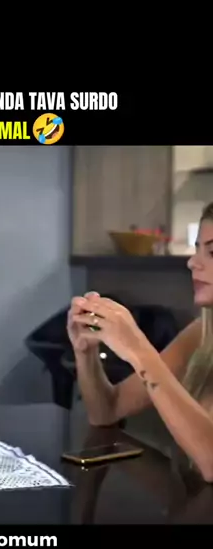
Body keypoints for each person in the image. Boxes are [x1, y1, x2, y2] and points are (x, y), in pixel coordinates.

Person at [67, 201, 213, 483]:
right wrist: (85, 352)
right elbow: (107, 412)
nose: (192, 262)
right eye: (196, 249)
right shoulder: (202, 333)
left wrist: (139, 350)